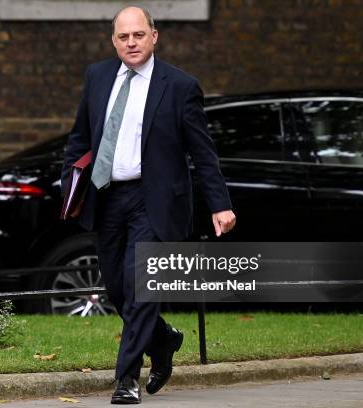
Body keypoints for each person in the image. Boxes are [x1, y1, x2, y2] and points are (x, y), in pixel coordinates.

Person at [62, 6, 236, 404]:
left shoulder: (179, 86)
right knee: (118, 289)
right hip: (108, 197)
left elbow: (202, 152)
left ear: (154, 36)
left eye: (139, 35)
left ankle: (126, 379)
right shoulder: (97, 76)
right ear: (114, 41)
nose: (131, 43)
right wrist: (68, 181)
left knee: (140, 286)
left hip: (154, 201)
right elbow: (80, 138)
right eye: (123, 37)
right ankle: (165, 339)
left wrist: (219, 204)